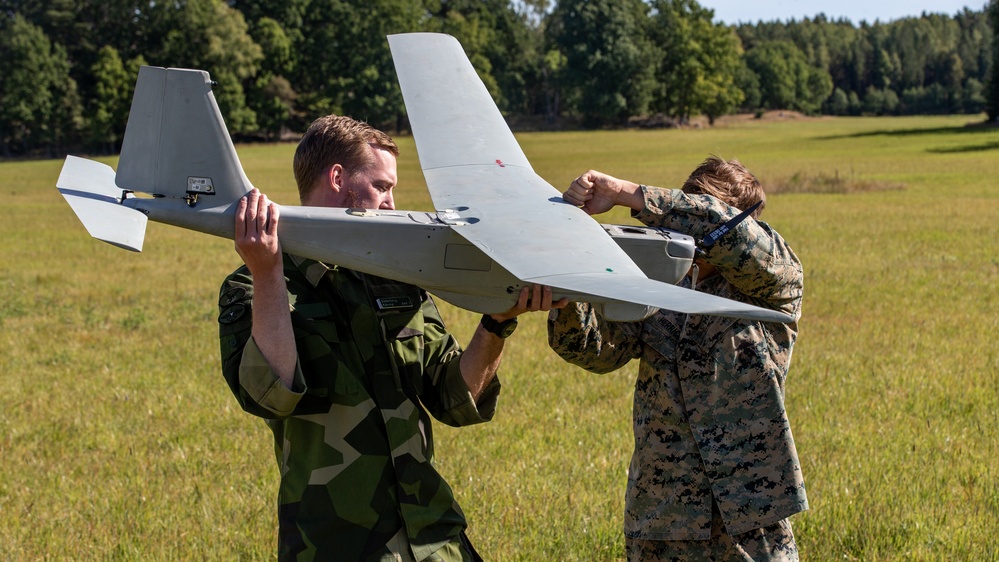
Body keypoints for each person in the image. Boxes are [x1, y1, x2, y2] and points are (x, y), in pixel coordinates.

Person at [218, 115, 564, 562]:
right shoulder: (252, 286)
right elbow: (270, 395)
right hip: (339, 545)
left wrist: (497, 322)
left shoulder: (393, 277)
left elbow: (451, 397)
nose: (391, 203)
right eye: (382, 186)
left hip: (433, 536)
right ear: (338, 178)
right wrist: (269, 273)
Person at [548, 156, 808, 561]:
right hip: (663, 516)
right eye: (686, 206)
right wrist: (568, 296)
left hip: (749, 520)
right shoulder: (657, 281)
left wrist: (624, 194)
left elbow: (725, 229)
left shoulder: (775, 280)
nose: (685, 223)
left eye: (696, 210)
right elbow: (597, 351)